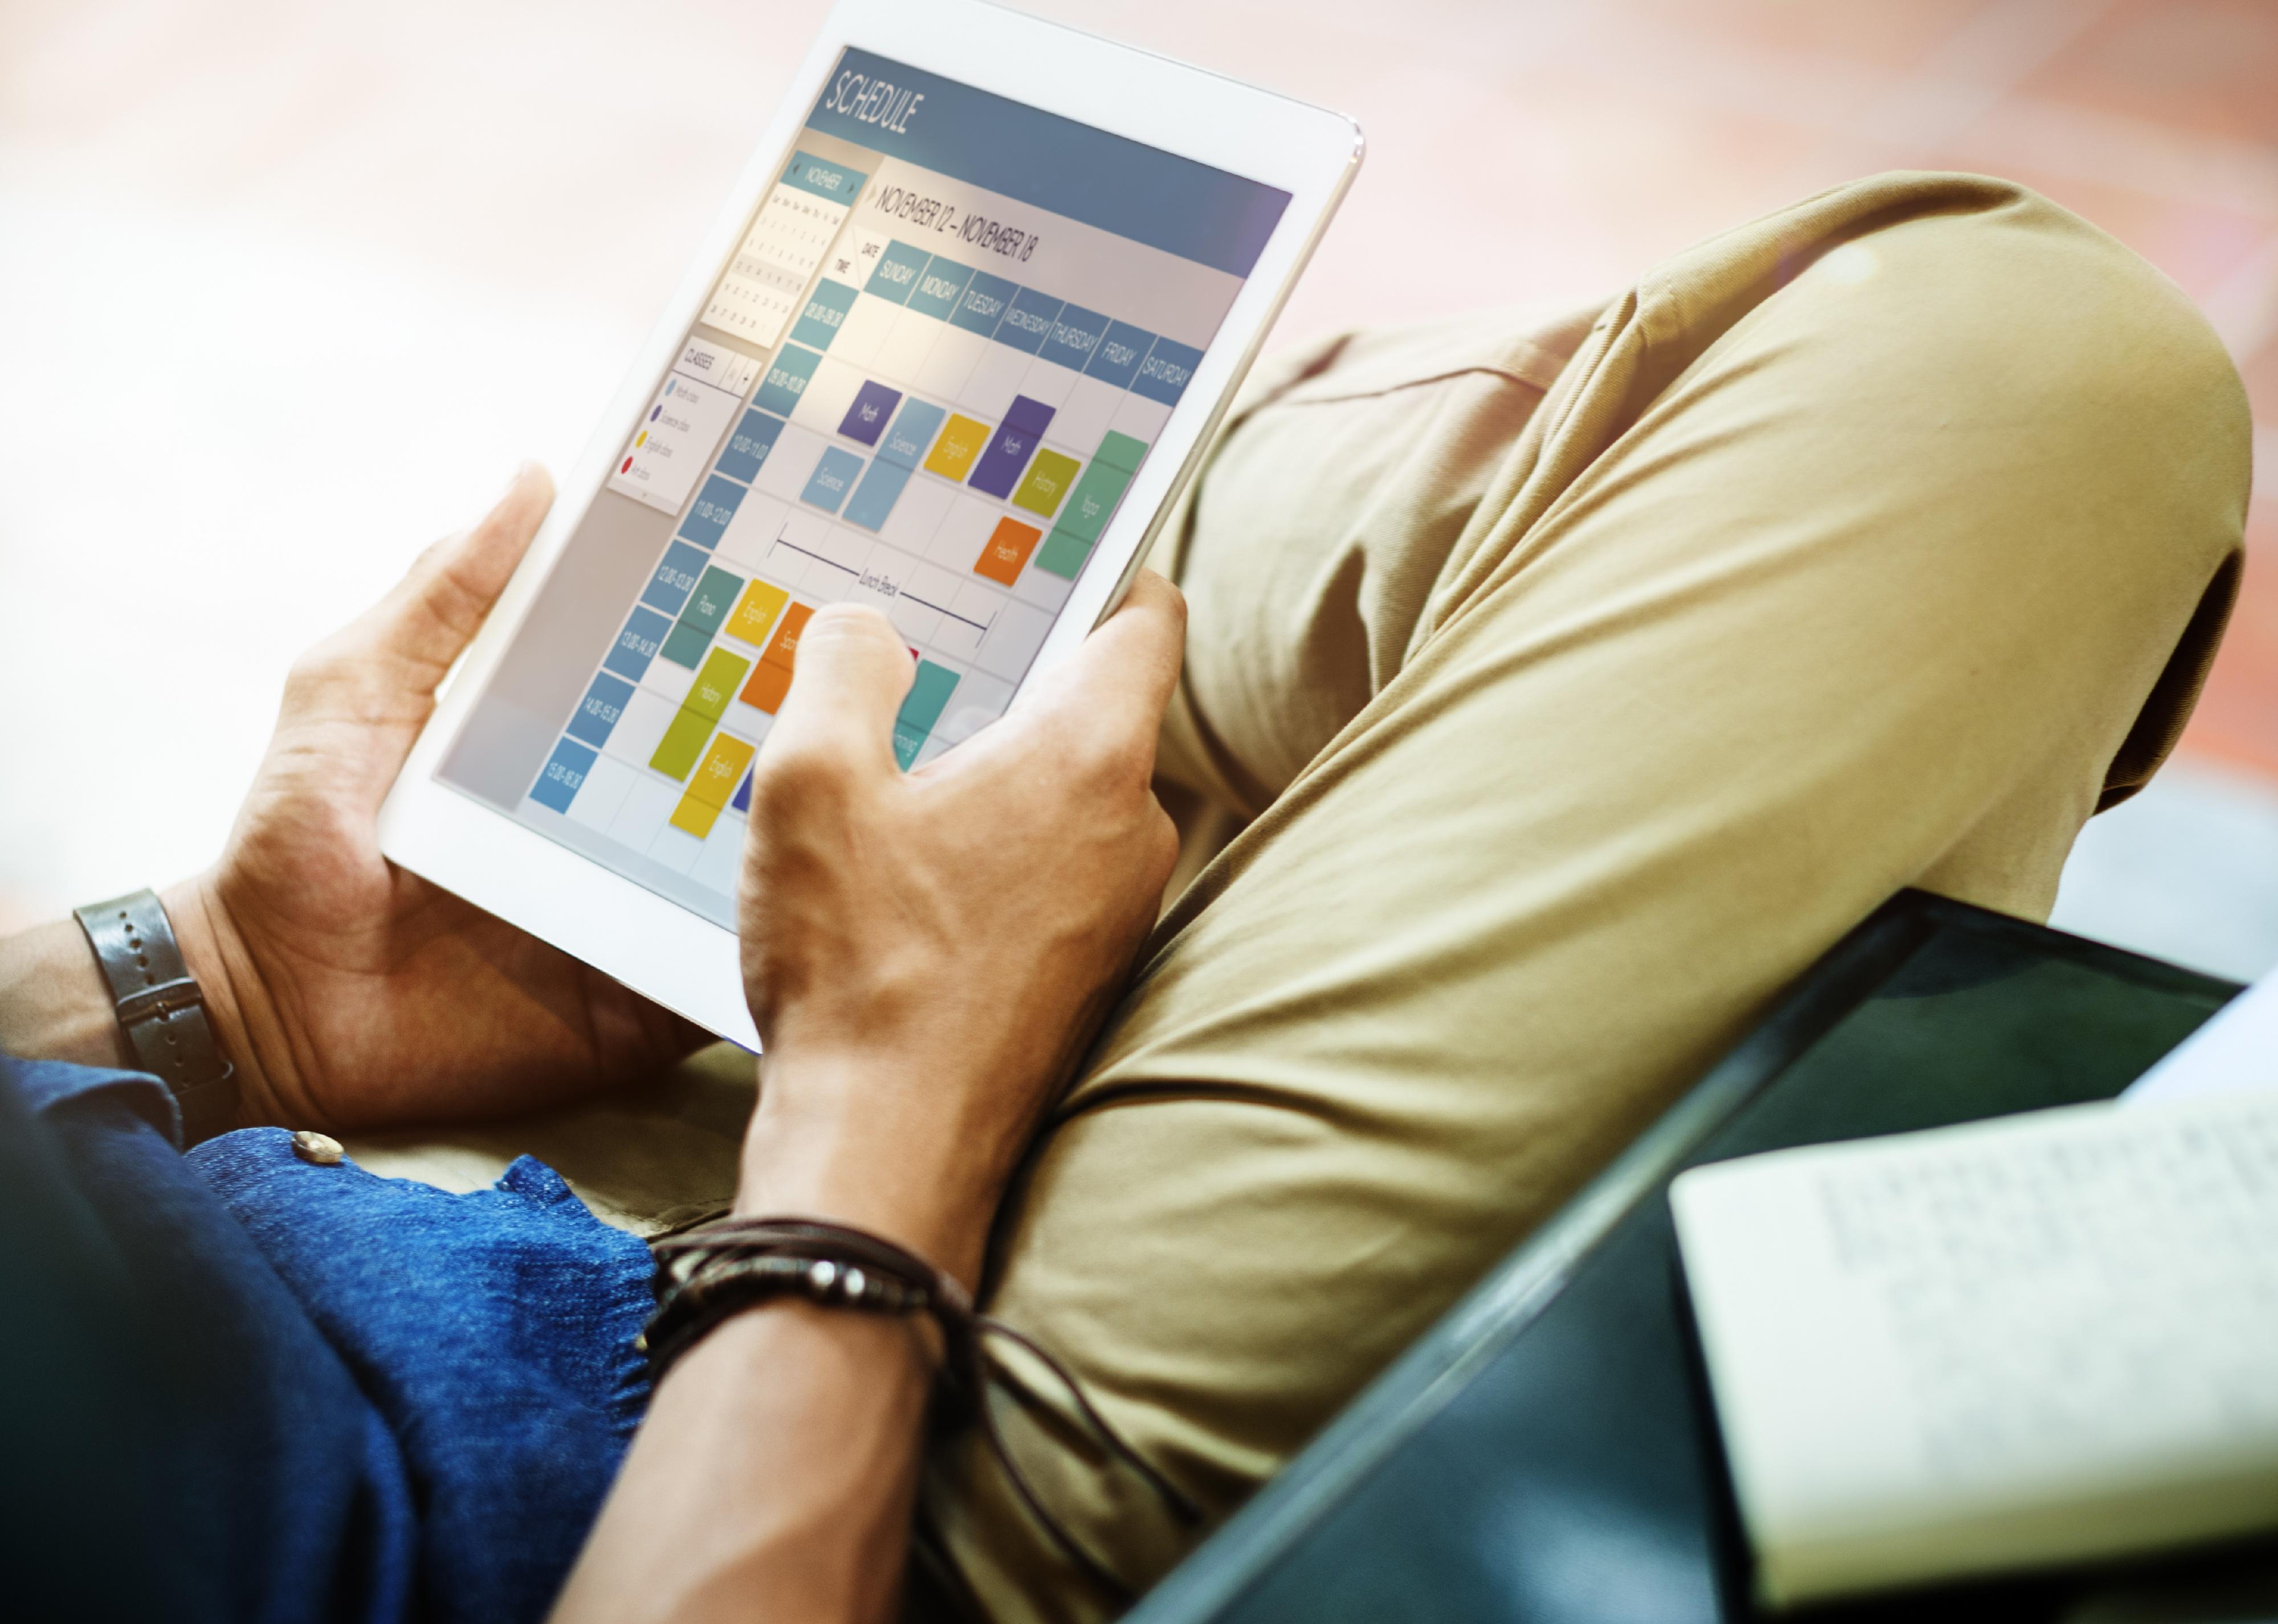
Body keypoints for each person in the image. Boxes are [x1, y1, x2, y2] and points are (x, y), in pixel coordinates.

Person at [0, 172, 2251, 1623]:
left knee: (1079, 498)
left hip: (321, 1221)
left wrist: (212, 987)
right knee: (2015, 383)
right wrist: (875, 1144)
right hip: (764, 1499)